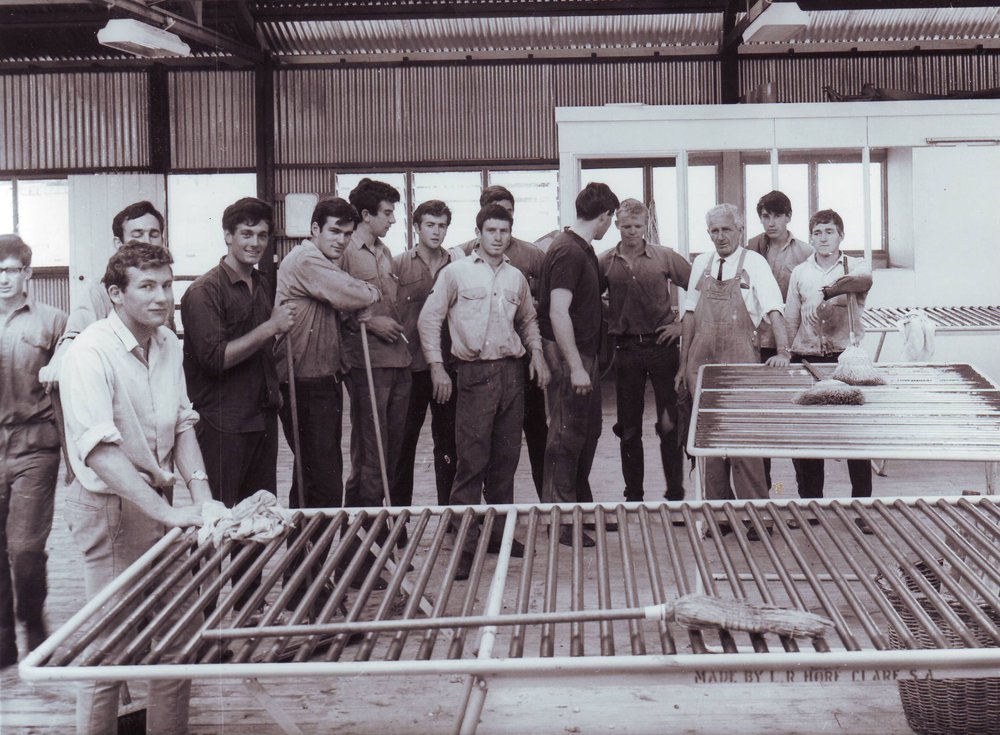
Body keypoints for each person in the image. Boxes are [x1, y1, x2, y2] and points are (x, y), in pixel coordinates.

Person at [59, 243, 212, 735]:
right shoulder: (88, 354)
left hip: (155, 502)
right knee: (108, 651)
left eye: (167, 285)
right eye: (146, 286)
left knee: (178, 638)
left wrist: (201, 494)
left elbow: (183, 423)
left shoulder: (168, 342)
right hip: (109, 507)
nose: (162, 297)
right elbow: (100, 453)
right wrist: (167, 515)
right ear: (114, 295)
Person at [419, 204, 549, 579]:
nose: (497, 237)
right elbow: (429, 319)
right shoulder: (454, 273)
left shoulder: (516, 279)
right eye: (490, 230)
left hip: (512, 374)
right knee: (471, 461)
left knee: (505, 462)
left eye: (503, 231)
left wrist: (537, 354)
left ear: (510, 234)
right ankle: (464, 545)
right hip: (474, 376)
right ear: (478, 232)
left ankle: (498, 536)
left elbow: (527, 319)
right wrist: (437, 366)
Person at [180, 198, 292, 608]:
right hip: (222, 423)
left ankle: (248, 608)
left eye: (262, 235)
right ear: (227, 236)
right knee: (215, 522)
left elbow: (262, 344)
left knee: (255, 521)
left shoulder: (262, 283)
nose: (255, 243)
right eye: (246, 234)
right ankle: (203, 614)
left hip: (260, 418)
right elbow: (215, 359)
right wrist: (270, 329)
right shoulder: (203, 292)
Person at [678, 204, 791, 538]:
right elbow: (688, 316)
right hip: (702, 367)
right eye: (714, 231)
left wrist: (783, 352)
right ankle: (717, 519)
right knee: (709, 447)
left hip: (741, 365)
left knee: (745, 445)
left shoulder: (754, 263)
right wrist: (683, 365)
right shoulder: (701, 263)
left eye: (726, 230)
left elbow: (774, 310)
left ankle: (758, 520)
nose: (720, 237)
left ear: (739, 230)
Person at [275, 197, 381, 514]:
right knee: (324, 482)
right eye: (335, 232)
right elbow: (354, 293)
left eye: (348, 234)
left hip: (321, 380)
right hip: (304, 382)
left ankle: (304, 560)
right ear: (314, 229)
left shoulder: (324, 263)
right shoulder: (307, 261)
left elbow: (344, 298)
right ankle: (311, 561)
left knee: (312, 476)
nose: (341, 241)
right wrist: (369, 296)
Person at [538, 182, 619, 547]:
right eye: (610, 220)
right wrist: (575, 367)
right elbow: (558, 311)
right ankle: (562, 520)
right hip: (571, 356)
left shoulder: (580, 248)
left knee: (587, 433)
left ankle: (579, 509)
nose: (609, 227)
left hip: (584, 355)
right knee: (565, 438)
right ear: (603, 216)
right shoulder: (568, 251)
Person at [339, 179, 411, 588]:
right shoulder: (346, 251)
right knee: (371, 459)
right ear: (365, 215)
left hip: (396, 361)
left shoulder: (384, 253)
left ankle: (376, 547)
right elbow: (333, 301)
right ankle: (357, 558)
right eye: (386, 212)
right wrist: (367, 321)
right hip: (367, 364)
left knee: (391, 458)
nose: (392, 219)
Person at [0, 235, 67, 669]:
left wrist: (76, 458)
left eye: (10, 270)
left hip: (35, 446)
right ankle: (4, 635)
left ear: (27, 272)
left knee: (25, 547)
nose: (3, 279)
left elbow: (65, 396)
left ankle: (32, 621)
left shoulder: (53, 322)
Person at [784, 208, 874, 529]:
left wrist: (825, 294)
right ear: (811, 237)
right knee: (809, 438)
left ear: (841, 236)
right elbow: (791, 318)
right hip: (808, 360)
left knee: (855, 437)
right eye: (818, 233)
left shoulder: (855, 266)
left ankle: (862, 509)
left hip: (846, 363)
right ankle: (811, 506)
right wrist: (789, 355)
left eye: (829, 232)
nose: (823, 238)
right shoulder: (800, 272)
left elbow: (863, 281)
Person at [458, 186, 549, 500]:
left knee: (533, 436)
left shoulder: (532, 255)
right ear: (482, 215)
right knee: (474, 446)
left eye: (508, 212)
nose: (503, 221)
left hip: (520, 361)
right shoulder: (460, 257)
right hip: (478, 364)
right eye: (496, 211)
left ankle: (549, 509)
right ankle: (467, 522)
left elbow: (542, 306)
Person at [598, 199, 691, 503]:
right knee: (628, 427)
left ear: (646, 225)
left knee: (669, 423)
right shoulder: (605, 262)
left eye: (638, 226)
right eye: (626, 227)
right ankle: (633, 496)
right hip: (626, 351)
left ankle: (675, 492)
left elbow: (702, 288)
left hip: (662, 348)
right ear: (617, 225)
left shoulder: (665, 257)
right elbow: (587, 299)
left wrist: (680, 326)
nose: (632, 232)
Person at [393, 200, 462, 511]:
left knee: (449, 445)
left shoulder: (459, 266)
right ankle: (400, 519)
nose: (437, 231)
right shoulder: (396, 266)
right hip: (410, 369)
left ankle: (449, 514)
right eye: (430, 225)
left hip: (449, 369)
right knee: (403, 446)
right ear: (417, 227)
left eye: (442, 225)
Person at [745, 190, 812, 489]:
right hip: (758, 344)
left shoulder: (806, 252)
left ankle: (806, 497)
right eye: (765, 216)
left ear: (788, 217)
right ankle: (763, 497)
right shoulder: (750, 250)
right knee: (761, 422)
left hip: (794, 346)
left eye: (776, 216)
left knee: (797, 422)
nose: (770, 222)